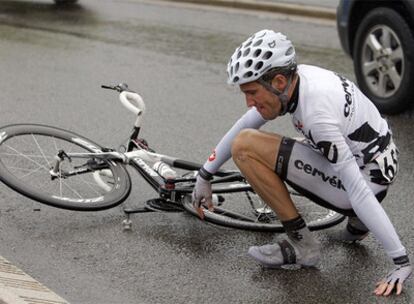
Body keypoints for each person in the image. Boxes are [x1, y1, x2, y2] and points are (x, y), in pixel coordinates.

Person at [191, 29, 411, 296]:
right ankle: (358, 225)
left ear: (279, 81)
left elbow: (357, 189)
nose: (249, 102)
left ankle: (303, 246)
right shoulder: (303, 77)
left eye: (251, 92)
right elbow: (247, 121)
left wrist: (401, 261)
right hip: (374, 162)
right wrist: (206, 173)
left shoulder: (317, 115)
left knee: (245, 148)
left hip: (365, 182)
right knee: (272, 138)